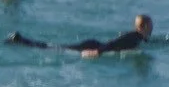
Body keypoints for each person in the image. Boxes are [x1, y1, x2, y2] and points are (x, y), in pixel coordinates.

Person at [8, 14, 152, 56]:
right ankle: (21, 41)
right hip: (94, 46)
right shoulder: (135, 36)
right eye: (150, 25)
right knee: (56, 49)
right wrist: (97, 52)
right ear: (144, 26)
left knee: (57, 47)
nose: (152, 28)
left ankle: (21, 40)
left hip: (95, 44)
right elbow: (115, 43)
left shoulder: (137, 37)